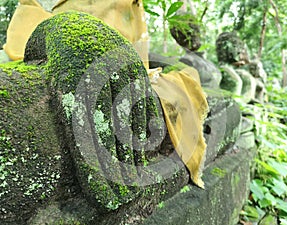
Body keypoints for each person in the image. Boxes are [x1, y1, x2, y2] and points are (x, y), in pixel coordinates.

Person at [2, 0, 208, 188]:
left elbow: (137, 48)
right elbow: (27, 22)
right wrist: (64, 36)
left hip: (123, 69)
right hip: (54, 53)